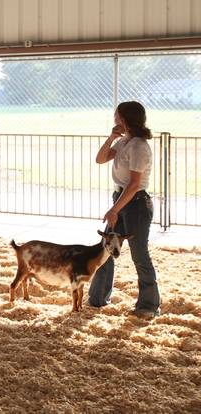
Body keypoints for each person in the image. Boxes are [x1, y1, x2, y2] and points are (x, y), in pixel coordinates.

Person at [88, 101, 160, 318]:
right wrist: (112, 137)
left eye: (117, 114)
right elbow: (100, 159)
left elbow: (135, 184)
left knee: (139, 254)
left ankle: (148, 305)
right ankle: (98, 299)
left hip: (136, 203)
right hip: (120, 197)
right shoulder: (124, 142)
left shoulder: (139, 146)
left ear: (125, 118)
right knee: (106, 248)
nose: (114, 117)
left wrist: (114, 209)